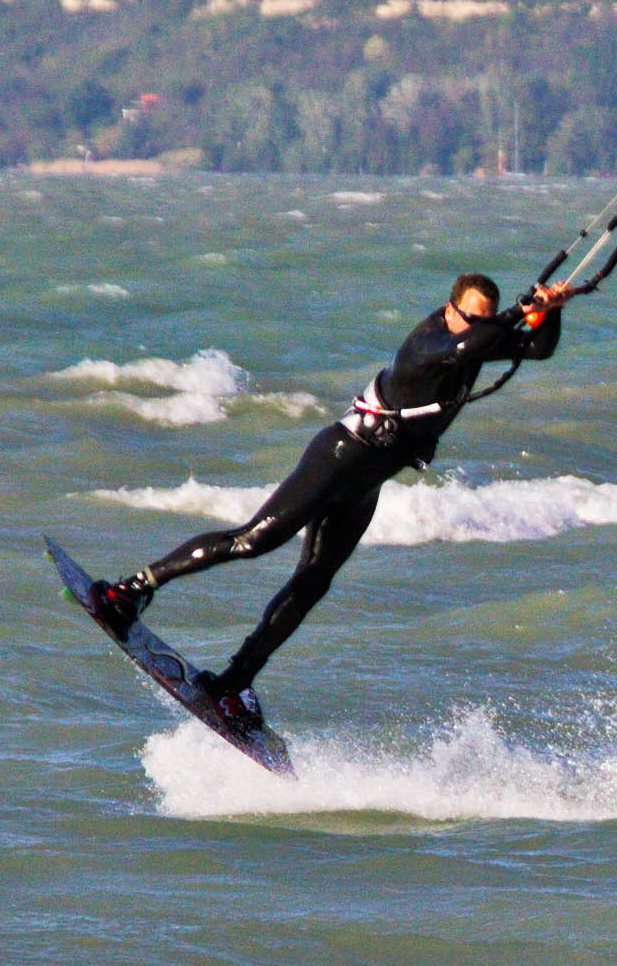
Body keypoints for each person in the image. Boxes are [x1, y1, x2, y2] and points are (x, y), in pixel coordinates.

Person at [90, 271, 576, 720]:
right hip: (340, 456)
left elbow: (536, 350)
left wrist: (549, 311)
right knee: (253, 541)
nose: (478, 326)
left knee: (314, 582)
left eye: (485, 320)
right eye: (472, 317)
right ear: (450, 310)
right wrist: (518, 311)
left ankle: (233, 682)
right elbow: (467, 345)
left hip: (367, 482)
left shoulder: (473, 339)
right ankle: (129, 591)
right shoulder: (427, 344)